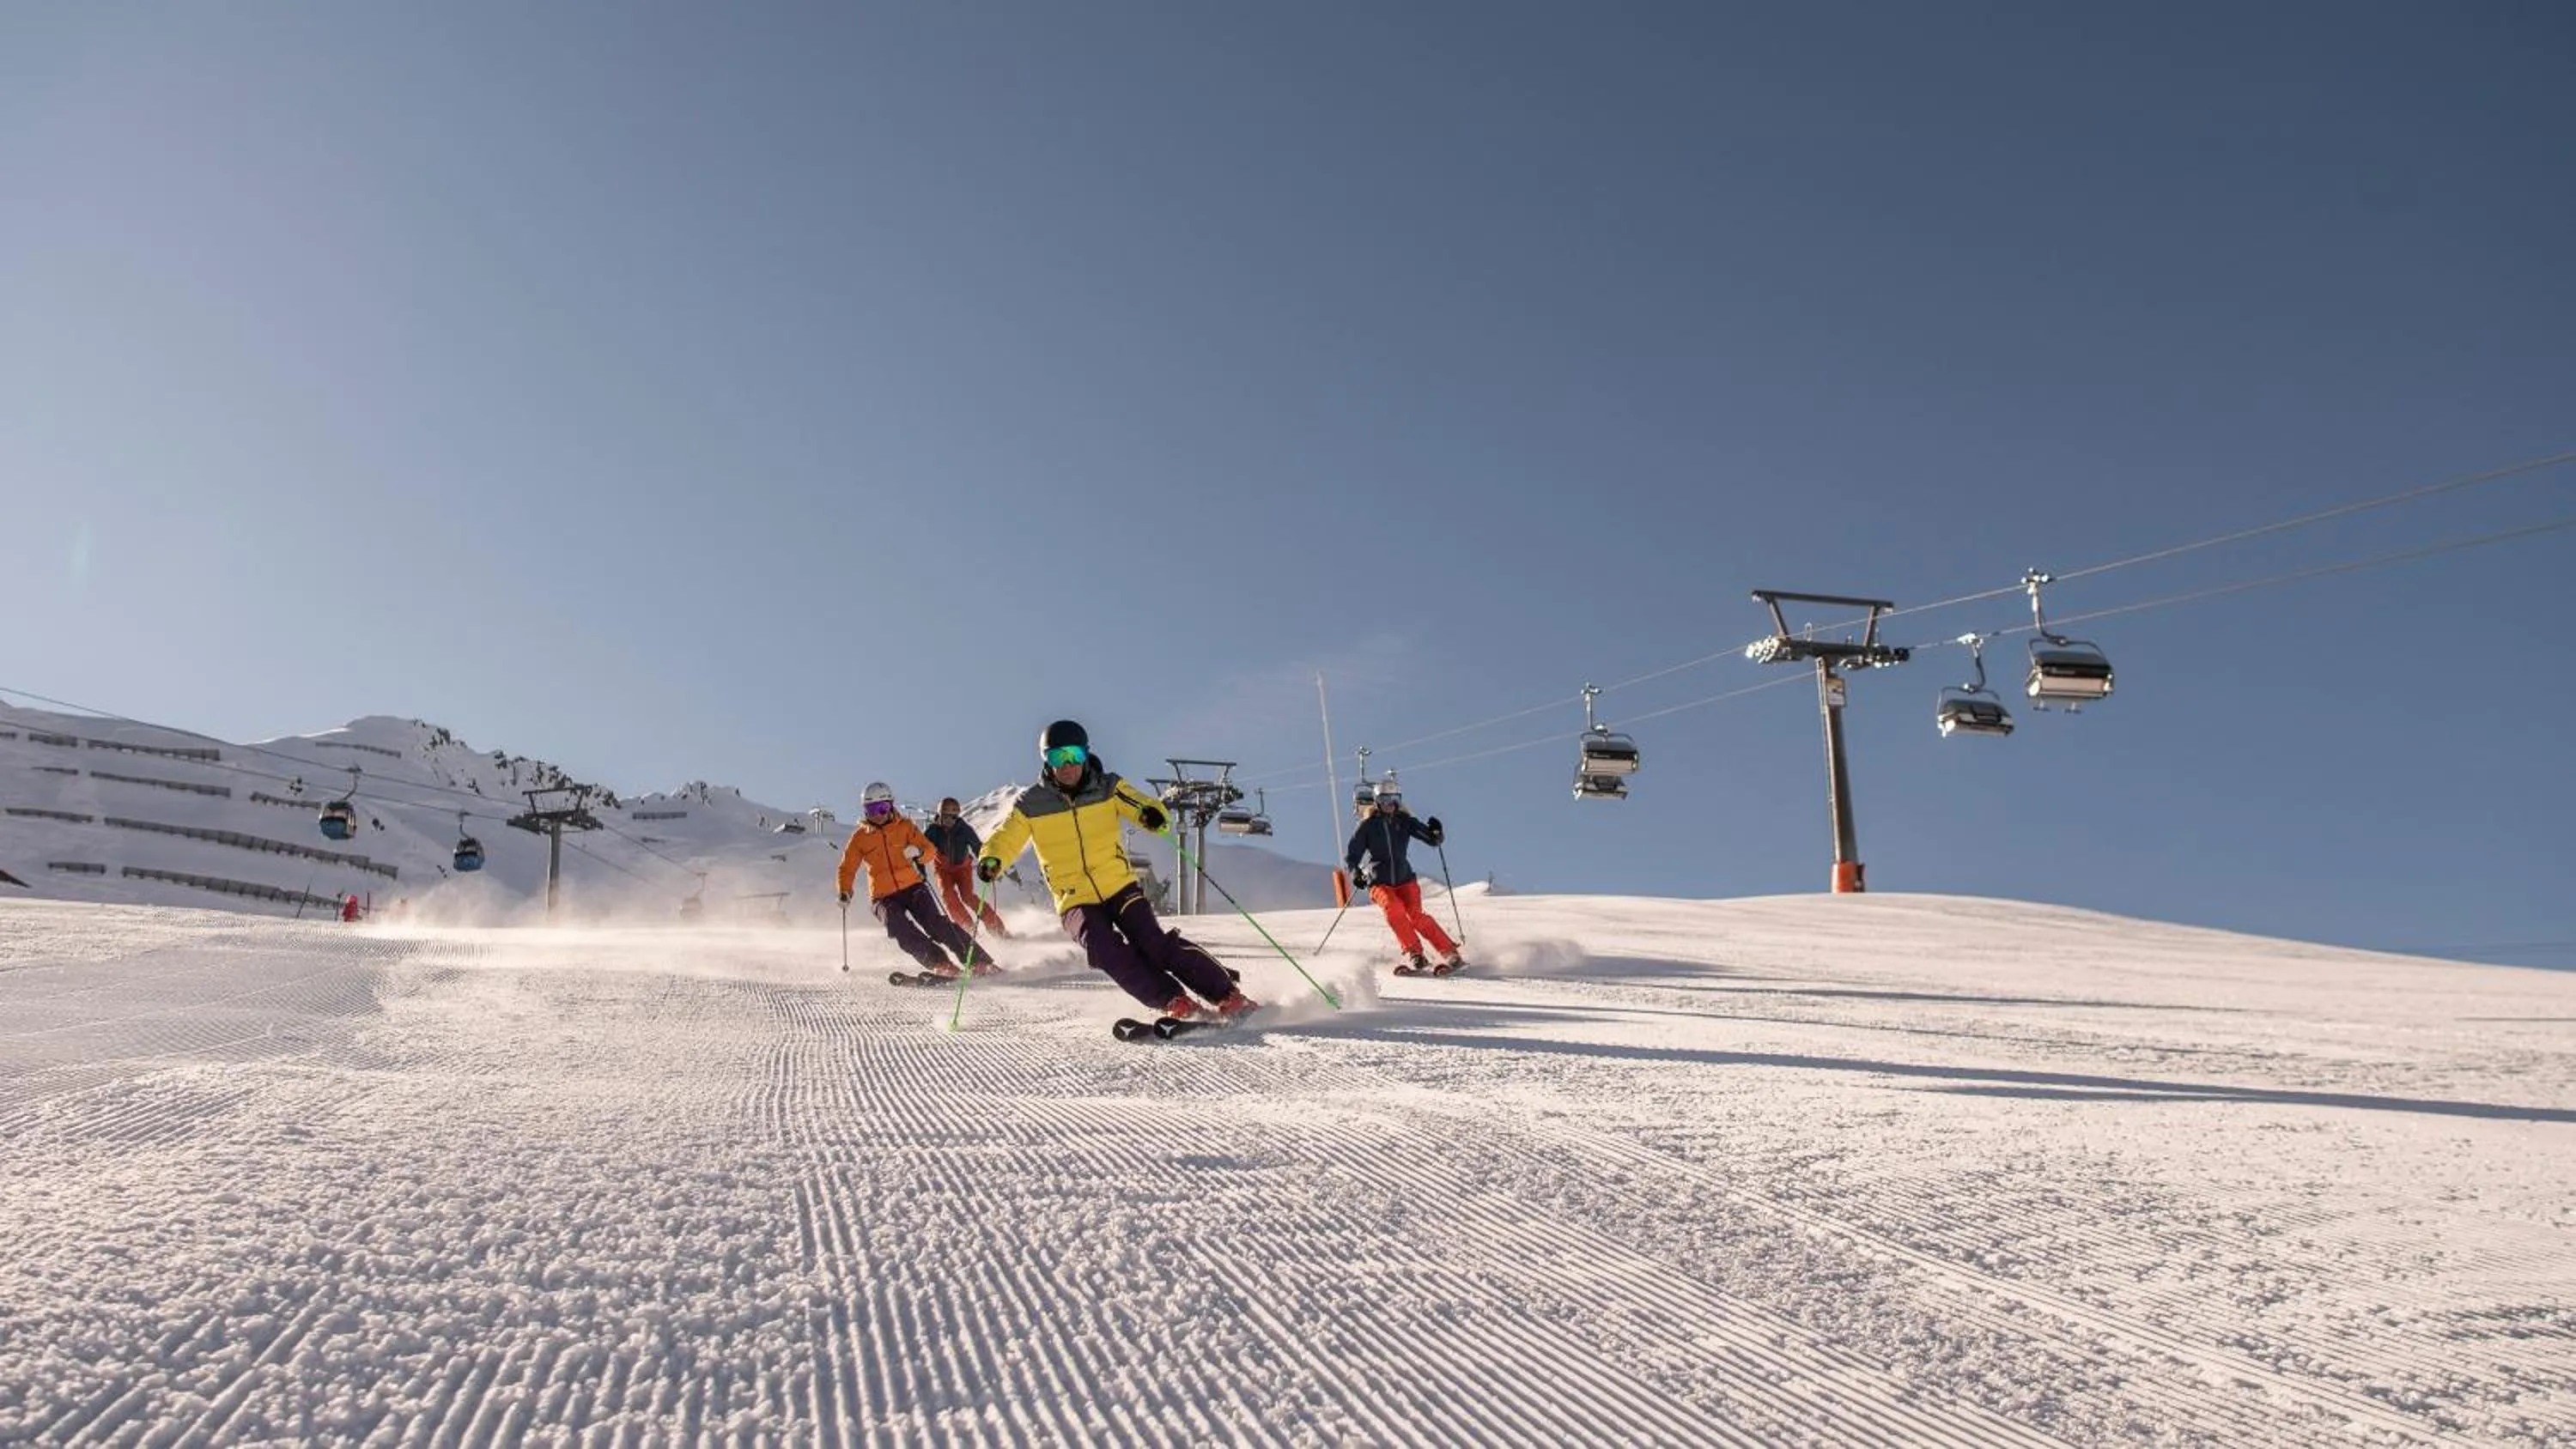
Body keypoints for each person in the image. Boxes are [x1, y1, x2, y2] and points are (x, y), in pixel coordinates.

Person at [976, 720, 1257, 1022]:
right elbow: (1006, 837)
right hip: (1074, 898)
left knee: (1153, 944)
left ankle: (1227, 994)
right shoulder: (1031, 804)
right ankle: (1173, 1000)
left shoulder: (1108, 787)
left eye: (1074, 756)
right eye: (1058, 757)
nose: (1068, 765)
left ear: (1086, 755)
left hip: (1118, 885)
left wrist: (1152, 816)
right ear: (1047, 761)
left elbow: (1143, 806)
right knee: (1103, 950)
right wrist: (992, 858)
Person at [836, 782, 995, 978]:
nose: (878, 814)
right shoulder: (860, 838)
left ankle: (979, 961)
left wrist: (919, 853)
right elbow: (847, 867)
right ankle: (941, 963)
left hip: (912, 886)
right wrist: (845, 891)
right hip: (882, 896)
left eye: (882, 807)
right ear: (865, 810)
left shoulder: (905, 827)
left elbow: (930, 850)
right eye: (871, 809)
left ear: (891, 805)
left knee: (936, 924)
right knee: (899, 928)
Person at [1344, 775, 1461, 974]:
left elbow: (1432, 840)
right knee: (1394, 909)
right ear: (1377, 802)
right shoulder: (1367, 826)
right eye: (1384, 801)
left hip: (1405, 879)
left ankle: (1450, 952)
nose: (1390, 805)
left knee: (1417, 916)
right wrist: (1356, 872)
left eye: (1394, 800)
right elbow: (1352, 855)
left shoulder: (1405, 821)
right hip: (1379, 882)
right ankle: (1415, 953)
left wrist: (1436, 833)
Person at [923, 797, 1011, 939]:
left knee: (968, 897)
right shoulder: (933, 830)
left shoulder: (964, 829)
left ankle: (997, 929)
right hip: (943, 869)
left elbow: (978, 848)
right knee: (948, 896)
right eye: (946, 816)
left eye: (953, 817)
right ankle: (969, 930)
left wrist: (987, 863)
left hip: (962, 868)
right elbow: (923, 849)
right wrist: (920, 868)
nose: (949, 821)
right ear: (940, 815)